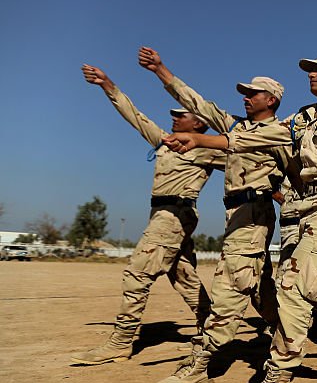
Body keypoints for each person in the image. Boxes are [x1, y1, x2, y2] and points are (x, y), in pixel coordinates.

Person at [160, 51, 317, 383]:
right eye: (311, 69)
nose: (313, 74)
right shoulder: (303, 116)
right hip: (298, 210)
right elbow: (260, 138)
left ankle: (278, 382)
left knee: (291, 285)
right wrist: (200, 140)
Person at [137, 47, 287, 383]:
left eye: (253, 93)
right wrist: (161, 70)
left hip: (254, 216)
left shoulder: (279, 133)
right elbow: (199, 103)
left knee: (228, 289)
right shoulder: (235, 126)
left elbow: (299, 171)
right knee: (261, 291)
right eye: (245, 94)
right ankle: (290, 334)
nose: (246, 98)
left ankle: (199, 362)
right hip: (236, 216)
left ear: (272, 100)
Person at [71, 64, 223, 365]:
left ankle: (122, 339)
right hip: (161, 214)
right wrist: (108, 85)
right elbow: (135, 116)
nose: (174, 117)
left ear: (199, 125)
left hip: (175, 215)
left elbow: (247, 158)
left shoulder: (206, 148)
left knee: (137, 274)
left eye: (181, 114)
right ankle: (213, 329)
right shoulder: (165, 142)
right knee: (184, 277)